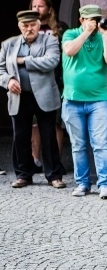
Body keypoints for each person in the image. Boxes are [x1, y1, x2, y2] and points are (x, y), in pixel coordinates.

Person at [0, 10, 67, 189]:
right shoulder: (8, 44)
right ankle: (23, 175)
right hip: (19, 96)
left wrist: (24, 61)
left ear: (38, 25)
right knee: (20, 136)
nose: (29, 29)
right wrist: (8, 81)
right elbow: (1, 70)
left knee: (48, 136)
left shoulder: (50, 40)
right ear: (19, 26)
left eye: (32, 25)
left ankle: (54, 175)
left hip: (44, 95)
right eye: (25, 25)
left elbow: (51, 61)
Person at [61, 5, 107, 199]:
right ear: (81, 20)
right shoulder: (70, 34)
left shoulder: (104, 36)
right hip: (72, 100)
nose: (94, 22)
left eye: (96, 19)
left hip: (98, 100)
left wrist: (105, 35)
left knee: (100, 143)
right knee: (78, 145)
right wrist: (85, 33)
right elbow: (69, 51)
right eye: (89, 19)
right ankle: (82, 183)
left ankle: (105, 185)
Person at [29, 0, 68, 170]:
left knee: (56, 123)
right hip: (34, 82)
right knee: (35, 123)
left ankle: (55, 162)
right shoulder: (28, 29)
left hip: (56, 81)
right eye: (34, 6)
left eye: (41, 6)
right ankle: (35, 160)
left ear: (49, 9)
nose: (36, 9)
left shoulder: (60, 29)